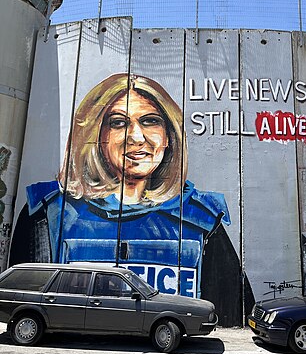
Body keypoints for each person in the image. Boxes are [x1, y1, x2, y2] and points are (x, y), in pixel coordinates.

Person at [9, 73, 253, 326]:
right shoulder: (48, 213)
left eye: (150, 121)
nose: (137, 137)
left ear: (169, 137)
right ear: (95, 134)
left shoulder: (200, 218)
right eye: (118, 123)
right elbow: (24, 301)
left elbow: (230, 315)